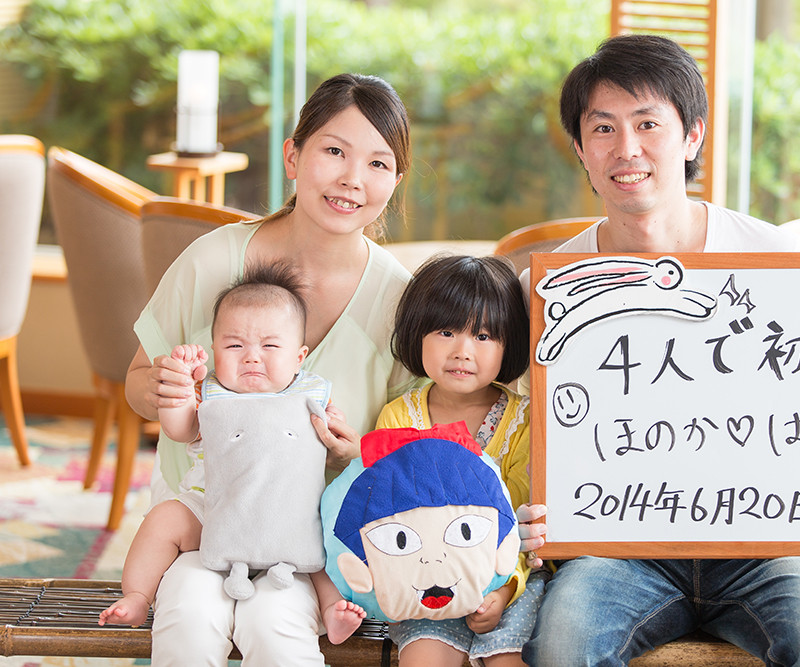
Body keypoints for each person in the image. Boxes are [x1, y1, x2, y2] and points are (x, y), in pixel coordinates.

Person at [516, 34, 800, 667]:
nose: (627, 148)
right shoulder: (550, 287)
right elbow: (515, 429)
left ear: (692, 136)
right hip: (618, 544)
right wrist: (521, 512)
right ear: (581, 150)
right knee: (560, 647)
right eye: (603, 128)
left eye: (649, 124)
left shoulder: (775, 256)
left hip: (770, 541)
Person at [124, 72, 419, 666]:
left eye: (377, 163)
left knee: (275, 626)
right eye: (334, 151)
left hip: (315, 540)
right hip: (202, 520)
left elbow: (410, 442)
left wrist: (354, 451)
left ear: (395, 181)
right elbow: (135, 383)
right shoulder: (212, 260)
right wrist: (161, 388)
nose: (352, 179)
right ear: (292, 156)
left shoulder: (399, 301)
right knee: (189, 618)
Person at [101, 264, 365, 643]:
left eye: (270, 346)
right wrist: (181, 384)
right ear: (214, 350)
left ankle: (332, 610)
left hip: (289, 511)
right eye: (235, 345)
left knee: (326, 542)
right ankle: (138, 595)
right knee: (162, 520)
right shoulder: (211, 393)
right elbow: (180, 430)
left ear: (299, 356)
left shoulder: (312, 394)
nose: (252, 357)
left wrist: (334, 430)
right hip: (211, 508)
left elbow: (333, 442)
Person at [375, 254, 547, 667]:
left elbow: (521, 522)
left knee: (508, 659)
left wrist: (503, 589)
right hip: (425, 579)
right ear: (417, 332)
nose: (462, 351)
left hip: (512, 579)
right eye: (446, 331)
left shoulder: (527, 422)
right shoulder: (398, 418)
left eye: (483, 336)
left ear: (509, 343)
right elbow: (389, 514)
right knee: (424, 659)